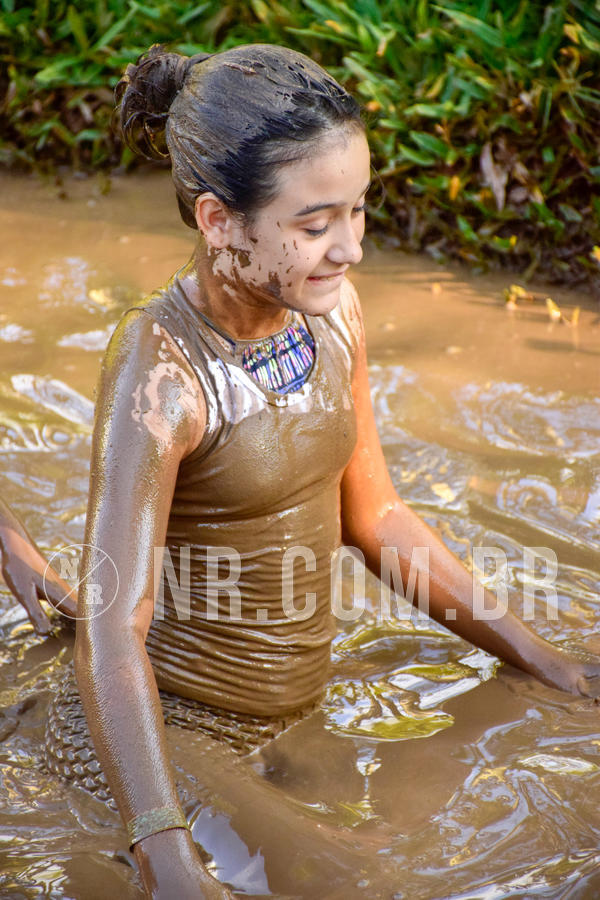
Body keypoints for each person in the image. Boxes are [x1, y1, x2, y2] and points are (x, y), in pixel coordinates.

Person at [1, 42, 599, 900]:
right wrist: (159, 846)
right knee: (329, 885)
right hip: (167, 726)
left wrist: (547, 663)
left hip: (296, 711)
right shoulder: (161, 370)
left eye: (359, 211)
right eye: (315, 225)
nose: (351, 247)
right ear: (218, 222)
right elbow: (110, 630)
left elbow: (378, 519)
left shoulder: (331, 311)